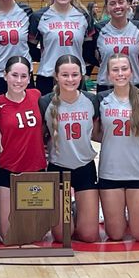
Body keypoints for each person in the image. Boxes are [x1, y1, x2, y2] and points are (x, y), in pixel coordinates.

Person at [94, 54, 139, 241]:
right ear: (108, 74)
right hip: (110, 172)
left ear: (131, 71)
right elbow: (95, 133)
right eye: (115, 70)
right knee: (115, 234)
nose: (120, 73)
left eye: (124, 69)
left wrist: (137, 144)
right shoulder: (101, 100)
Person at [39, 54, 100, 242]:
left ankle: (76, 208)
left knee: (89, 235)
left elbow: (97, 133)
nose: (70, 79)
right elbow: (40, 136)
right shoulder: (45, 102)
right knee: (62, 235)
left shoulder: (91, 100)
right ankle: (69, 207)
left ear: (82, 76)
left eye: (75, 75)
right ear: (56, 76)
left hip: (85, 167)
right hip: (58, 168)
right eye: (65, 75)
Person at [0, 56, 47, 238]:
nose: (18, 81)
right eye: (14, 75)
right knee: (8, 235)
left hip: (35, 170)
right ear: (5, 75)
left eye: (23, 76)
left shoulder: (37, 96)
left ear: (29, 77)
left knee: (35, 235)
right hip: (7, 169)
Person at [30, 0, 95, 95]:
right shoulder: (39, 16)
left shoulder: (84, 16)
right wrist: (48, 57)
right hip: (48, 77)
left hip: (75, 77)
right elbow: (31, 48)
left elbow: (88, 50)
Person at [93, 0, 139, 93]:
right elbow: (92, 55)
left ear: (128, 4)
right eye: (112, 3)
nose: (117, 6)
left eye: (121, 2)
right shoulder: (98, 29)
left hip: (133, 85)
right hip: (106, 86)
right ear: (106, 7)